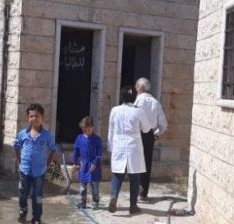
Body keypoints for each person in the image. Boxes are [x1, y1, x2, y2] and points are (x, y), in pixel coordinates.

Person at [13, 103, 60, 224]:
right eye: (31, 116)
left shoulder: (47, 136)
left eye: (37, 116)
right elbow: (16, 147)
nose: (34, 119)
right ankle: (23, 210)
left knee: (37, 196)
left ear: (42, 117)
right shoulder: (23, 134)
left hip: (39, 172)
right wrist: (19, 162)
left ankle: (36, 220)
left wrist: (48, 164)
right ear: (28, 118)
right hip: (24, 171)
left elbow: (53, 149)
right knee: (23, 193)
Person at [107, 86, 151, 214]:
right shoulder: (138, 111)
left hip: (118, 145)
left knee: (117, 174)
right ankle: (133, 205)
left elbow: (111, 130)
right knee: (135, 176)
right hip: (133, 146)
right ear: (134, 97)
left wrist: (110, 147)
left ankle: (114, 196)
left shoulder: (115, 110)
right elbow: (146, 129)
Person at [134, 77, 168, 202]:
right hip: (149, 135)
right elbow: (163, 124)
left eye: (137, 86)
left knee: (135, 163)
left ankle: (135, 192)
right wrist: (157, 133)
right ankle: (143, 194)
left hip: (137, 134)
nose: (135, 88)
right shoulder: (155, 102)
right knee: (146, 163)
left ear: (141, 88)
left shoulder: (138, 101)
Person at [71, 116, 102, 209]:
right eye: (84, 130)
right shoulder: (79, 138)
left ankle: (95, 202)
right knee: (83, 185)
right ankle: (83, 201)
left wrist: (95, 163)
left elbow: (99, 154)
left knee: (95, 185)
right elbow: (76, 151)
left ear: (92, 127)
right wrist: (74, 163)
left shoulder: (97, 139)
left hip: (94, 166)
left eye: (89, 129)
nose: (87, 132)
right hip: (84, 165)